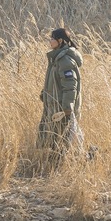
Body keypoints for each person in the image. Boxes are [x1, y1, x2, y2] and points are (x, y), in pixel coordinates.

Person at [37, 27, 83, 166]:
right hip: (53, 105)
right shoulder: (57, 58)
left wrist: (67, 107)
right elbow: (55, 82)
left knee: (63, 139)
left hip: (62, 108)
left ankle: (83, 160)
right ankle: (55, 166)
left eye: (52, 38)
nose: (50, 41)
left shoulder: (65, 60)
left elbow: (70, 85)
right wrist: (44, 94)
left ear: (60, 40)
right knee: (53, 138)